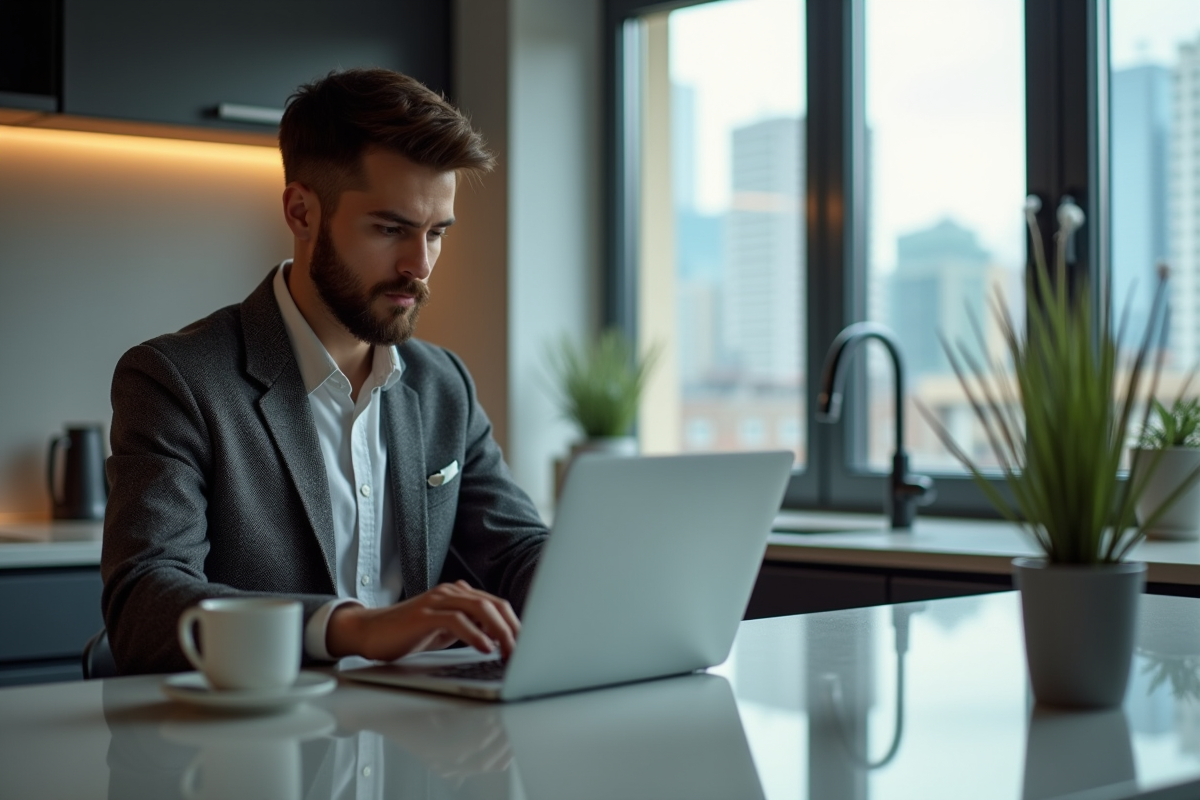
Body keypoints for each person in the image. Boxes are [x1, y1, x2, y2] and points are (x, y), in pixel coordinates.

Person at [101, 68, 548, 675]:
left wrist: (643, 585)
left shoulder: (444, 385)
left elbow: (516, 551)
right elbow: (144, 602)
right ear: (302, 211)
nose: (420, 265)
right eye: (391, 229)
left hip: (421, 738)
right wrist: (354, 627)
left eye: (436, 233)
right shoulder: (176, 380)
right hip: (247, 753)